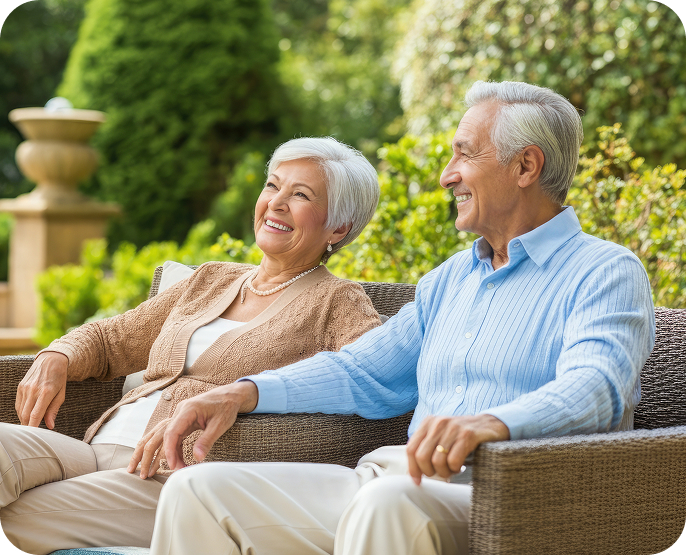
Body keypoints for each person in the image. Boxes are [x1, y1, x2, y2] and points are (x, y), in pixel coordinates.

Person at [150, 80, 656, 555]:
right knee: (199, 490)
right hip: (397, 478)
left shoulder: (605, 271)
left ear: (526, 166)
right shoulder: (453, 277)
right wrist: (244, 391)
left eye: (465, 153)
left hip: (520, 499)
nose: (447, 174)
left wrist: (492, 423)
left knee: (387, 504)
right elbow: (363, 371)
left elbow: (595, 389)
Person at [0, 137, 383, 554]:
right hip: (93, 449)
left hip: (175, 478)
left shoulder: (338, 301)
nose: (276, 203)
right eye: (273, 186)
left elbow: (367, 380)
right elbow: (112, 340)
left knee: (22, 514)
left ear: (339, 227)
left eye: (301, 194)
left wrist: (239, 404)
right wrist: (58, 354)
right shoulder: (211, 278)